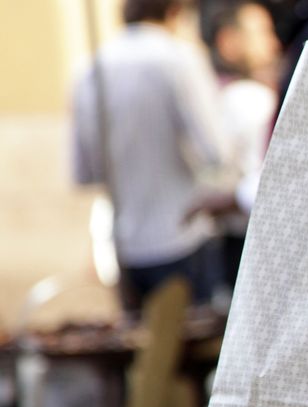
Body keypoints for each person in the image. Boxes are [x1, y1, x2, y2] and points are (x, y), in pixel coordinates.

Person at [71, 0, 230, 311]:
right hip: (183, 236)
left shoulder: (89, 68)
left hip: (125, 245)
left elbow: (84, 172)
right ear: (175, 12)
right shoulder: (177, 58)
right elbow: (217, 151)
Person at [203, 0, 282, 292]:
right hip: (249, 241)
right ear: (229, 41)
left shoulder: (218, 95)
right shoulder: (249, 99)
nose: (272, 44)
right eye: (261, 33)